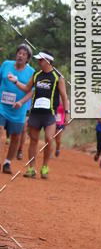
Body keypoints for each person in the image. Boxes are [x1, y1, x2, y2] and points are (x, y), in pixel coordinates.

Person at [9, 51, 70, 179]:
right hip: (35, 113)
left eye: (40, 60)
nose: (38, 62)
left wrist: (67, 113)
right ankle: (31, 168)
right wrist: (15, 81)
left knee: (49, 139)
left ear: (47, 61)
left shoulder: (58, 77)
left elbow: (64, 97)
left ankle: (45, 167)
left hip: (50, 114)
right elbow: (27, 89)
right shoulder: (36, 75)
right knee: (34, 141)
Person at [1, 44, 35, 175]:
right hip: (1, 105)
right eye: (19, 53)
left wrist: (21, 102)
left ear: (27, 59)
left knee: (15, 137)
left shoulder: (31, 72)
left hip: (18, 109)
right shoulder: (6, 65)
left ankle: (7, 162)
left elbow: (31, 92)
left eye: (24, 54)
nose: (20, 55)